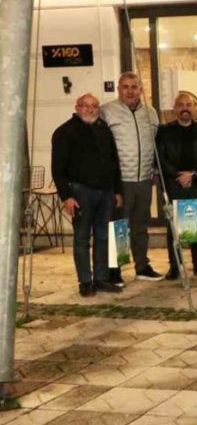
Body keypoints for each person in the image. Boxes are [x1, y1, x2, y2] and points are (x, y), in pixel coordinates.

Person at [52, 94, 124, 297]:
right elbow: (57, 169)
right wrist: (66, 196)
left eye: (94, 106)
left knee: (103, 236)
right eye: (86, 106)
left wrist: (118, 190)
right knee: (82, 237)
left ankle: (101, 278)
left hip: (106, 191)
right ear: (77, 107)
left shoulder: (104, 129)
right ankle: (85, 281)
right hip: (80, 192)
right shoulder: (65, 132)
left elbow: (114, 162)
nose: (90, 109)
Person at [100, 72, 162, 284]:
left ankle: (142, 266)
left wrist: (153, 169)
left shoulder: (151, 113)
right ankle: (115, 270)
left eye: (134, 87)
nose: (130, 91)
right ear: (119, 89)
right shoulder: (107, 112)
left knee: (141, 226)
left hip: (144, 180)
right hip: (121, 180)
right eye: (125, 87)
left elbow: (155, 145)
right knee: (119, 227)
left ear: (140, 89)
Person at [157, 93, 197, 281]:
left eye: (188, 104)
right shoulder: (164, 131)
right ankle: (175, 266)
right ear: (174, 108)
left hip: (196, 182)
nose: (185, 108)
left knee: (196, 224)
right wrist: (178, 175)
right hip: (174, 184)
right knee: (173, 227)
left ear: (194, 107)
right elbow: (160, 157)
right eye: (181, 105)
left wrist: (193, 174)